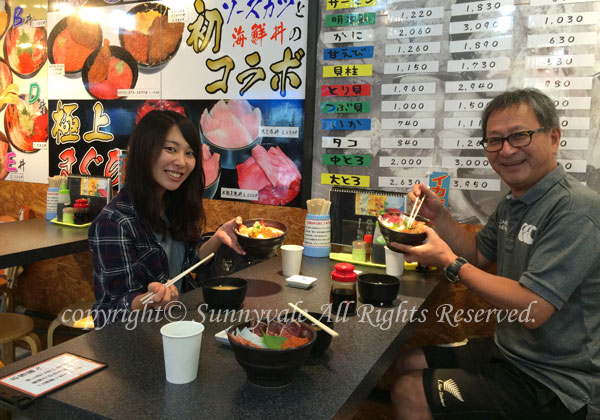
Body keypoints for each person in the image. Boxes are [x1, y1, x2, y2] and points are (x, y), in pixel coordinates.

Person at [391, 89, 599, 419]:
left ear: (554, 137)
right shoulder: (514, 202)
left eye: (520, 136)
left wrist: (448, 262)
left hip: (557, 383)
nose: (506, 150)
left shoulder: (575, 210)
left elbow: (533, 308)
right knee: (406, 361)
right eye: (495, 140)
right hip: (510, 351)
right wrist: (440, 216)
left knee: (411, 391)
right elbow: (476, 254)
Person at [89, 110, 245, 326]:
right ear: (145, 151)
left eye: (190, 153)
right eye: (170, 149)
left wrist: (217, 238)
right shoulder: (115, 222)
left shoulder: (175, 206)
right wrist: (148, 300)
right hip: (137, 338)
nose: (181, 162)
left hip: (179, 324)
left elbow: (188, 265)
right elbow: (111, 311)